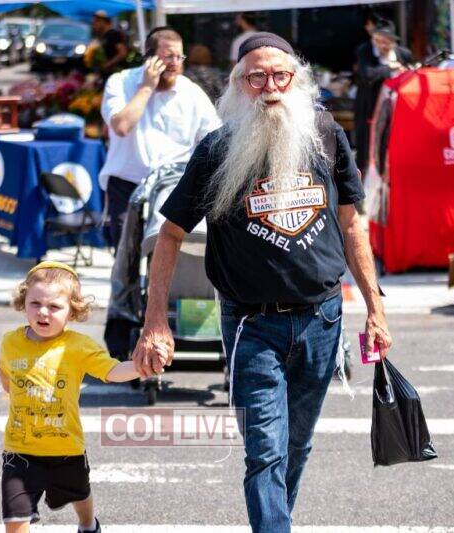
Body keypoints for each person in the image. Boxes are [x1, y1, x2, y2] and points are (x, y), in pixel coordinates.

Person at [132, 32, 393, 533]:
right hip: (251, 326)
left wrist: (375, 309)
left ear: (297, 80)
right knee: (265, 451)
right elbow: (169, 235)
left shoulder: (325, 134)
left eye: (280, 76)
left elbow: (351, 225)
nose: (270, 87)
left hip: (322, 319)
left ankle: (275, 522)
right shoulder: (217, 149)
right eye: (256, 78)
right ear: (238, 85)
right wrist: (155, 320)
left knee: (297, 445)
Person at [0, 261, 145, 533]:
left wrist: (141, 367)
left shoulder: (78, 346)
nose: (43, 312)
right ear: (23, 302)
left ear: (72, 311)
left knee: (79, 493)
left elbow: (111, 371)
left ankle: (88, 525)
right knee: (15, 519)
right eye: (35, 303)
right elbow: (5, 374)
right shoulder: (10, 342)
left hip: (66, 448)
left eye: (54, 306)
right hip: (19, 450)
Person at [99, 27, 220, 249]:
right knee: (126, 256)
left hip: (172, 187)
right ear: (149, 58)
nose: (175, 63)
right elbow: (122, 126)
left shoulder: (191, 92)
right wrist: (147, 87)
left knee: (167, 255)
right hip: (127, 184)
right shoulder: (120, 82)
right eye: (168, 57)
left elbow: (214, 140)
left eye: (179, 57)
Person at [353, 19, 412, 171]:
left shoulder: (403, 54)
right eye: (379, 41)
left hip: (394, 108)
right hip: (369, 107)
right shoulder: (365, 51)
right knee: (367, 148)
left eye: (386, 42)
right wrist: (390, 68)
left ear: (393, 42)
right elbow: (368, 74)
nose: (382, 46)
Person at [91, 10, 129, 76]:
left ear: (103, 21)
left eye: (96, 22)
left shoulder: (113, 34)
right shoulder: (104, 36)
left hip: (117, 73)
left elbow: (123, 53)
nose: (94, 25)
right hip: (108, 74)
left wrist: (108, 64)